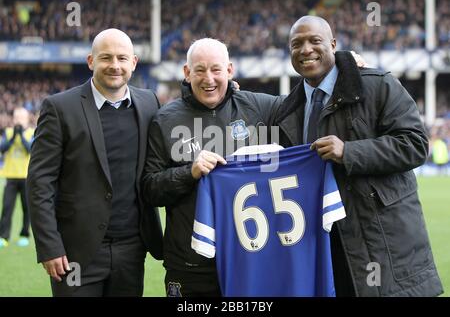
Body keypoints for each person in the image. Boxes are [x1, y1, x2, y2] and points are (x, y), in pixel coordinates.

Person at [272, 15, 443, 296]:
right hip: (325, 250)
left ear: (333, 44)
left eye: (315, 41)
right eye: (296, 44)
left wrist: (349, 151)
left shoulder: (377, 85)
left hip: (382, 248)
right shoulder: (286, 111)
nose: (305, 49)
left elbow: (414, 144)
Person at [27, 28, 163, 297]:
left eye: (122, 58)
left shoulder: (149, 103)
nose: (115, 66)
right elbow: (40, 183)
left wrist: (230, 92)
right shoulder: (59, 107)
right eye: (106, 58)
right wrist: (50, 246)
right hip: (74, 254)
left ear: (134, 63)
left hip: (131, 249)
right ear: (91, 61)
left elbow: (186, 114)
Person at [141, 38, 282, 297]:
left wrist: (344, 67)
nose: (209, 78)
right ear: (186, 72)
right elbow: (149, 189)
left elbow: (308, 102)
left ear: (229, 70)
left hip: (250, 258)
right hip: (190, 265)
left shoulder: (259, 107)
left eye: (216, 70)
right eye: (200, 70)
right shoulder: (165, 120)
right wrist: (189, 173)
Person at [0, 108, 34, 248]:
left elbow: (30, 149)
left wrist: (21, 136)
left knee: (27, 208)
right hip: (11, 177)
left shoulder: (32, 132)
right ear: (13, 119)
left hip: (26, 177)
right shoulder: (8, 132)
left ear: (27, 119)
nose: (19, 120)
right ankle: (3, 237)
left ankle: (24, 235)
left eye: (21, 117)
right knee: (7, 208)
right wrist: (13, 137)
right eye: (17, 117)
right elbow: (3, 148)